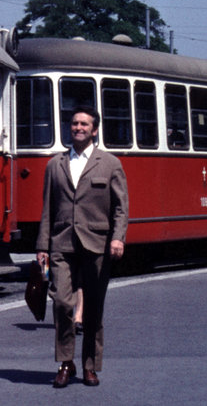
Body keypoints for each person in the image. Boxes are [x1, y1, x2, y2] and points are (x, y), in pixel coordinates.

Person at [35, 106, 128, 388]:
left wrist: (117, 237)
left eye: (84, 124)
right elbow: (47, 209)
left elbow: (121, 208)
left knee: (94, 309)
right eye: (74, 123)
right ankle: (66, 362)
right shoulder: (55, 164)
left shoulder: (110, 163)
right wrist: (42, 246)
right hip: (61, 244)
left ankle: (90, 365)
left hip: (97, 245)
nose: (78, 128)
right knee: (62, 302)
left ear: (94, 130)